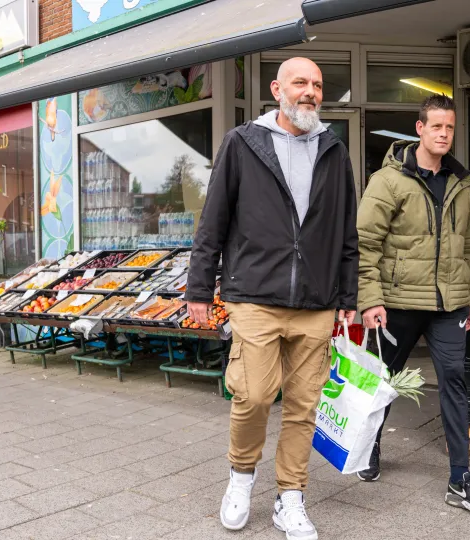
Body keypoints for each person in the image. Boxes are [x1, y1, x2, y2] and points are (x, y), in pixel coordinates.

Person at [185, 57, 358, 540]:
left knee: (304, 406)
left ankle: (291, 497)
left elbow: (346, 231)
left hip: (317, 301)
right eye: (300, 82)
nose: (310, 92)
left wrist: (348, 293)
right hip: (255, 296)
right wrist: (199, 288)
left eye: (318, 85)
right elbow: (213, 220)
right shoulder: (243, 143)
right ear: (277, 88)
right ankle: (242, 476)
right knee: (255, 394)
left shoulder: (334, 149)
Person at [355, 94, 470, 513]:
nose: (443, 134)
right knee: (383, 379)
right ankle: (368, 447)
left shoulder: (462, 182)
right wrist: (370, 300)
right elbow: (365, 244)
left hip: (449, 304)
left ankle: (460, 478)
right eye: (436, 126)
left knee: (453, 381)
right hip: (396, 301)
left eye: (449, 127)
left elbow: (469, 246)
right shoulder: (389, 180)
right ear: (419, 129)